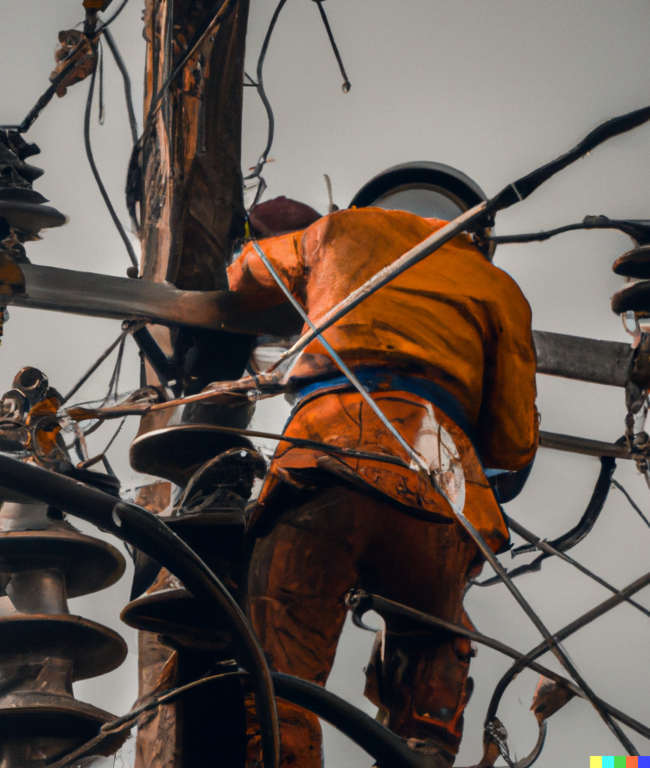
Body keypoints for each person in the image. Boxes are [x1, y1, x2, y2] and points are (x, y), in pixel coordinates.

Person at [226, 181, 539, 767]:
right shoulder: (498, 288)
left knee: (278, 681)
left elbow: (245, 275)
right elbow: (513, 442)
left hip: (324, 463)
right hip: (440, 492)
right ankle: (424, 744)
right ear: (475, 231)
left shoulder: (340, 232)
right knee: (434, 642)